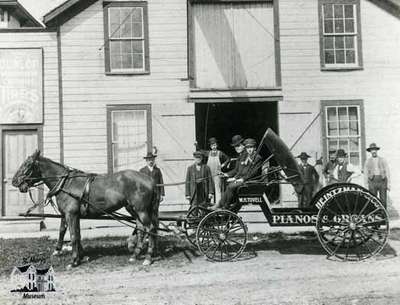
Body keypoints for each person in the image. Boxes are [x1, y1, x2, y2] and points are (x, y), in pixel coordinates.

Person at [213, 138, 262, 211]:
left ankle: (225, 207)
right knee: (229, 185)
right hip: (245, 179)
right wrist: (232, 177)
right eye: (248, 148)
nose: (249, 150)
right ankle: (220, 204)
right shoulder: (248, 156)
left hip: (251, 180)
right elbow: (241, 171)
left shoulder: (257, 157)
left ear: (255, 148)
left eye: (251, 147)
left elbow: (253, 173)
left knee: (231, 186)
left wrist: (241, 179)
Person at [139, 152, 165, 226]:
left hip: (156, 195)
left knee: (155, 212)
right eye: (149, 160)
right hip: (145, 196)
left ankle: (155, 230)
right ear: (146, 161)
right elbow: (139, 184)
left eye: (152, 159)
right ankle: (146, 230)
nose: (151, 161)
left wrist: (162, 194)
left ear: (154, 160)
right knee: (146, 211)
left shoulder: (157, 170)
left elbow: (161, 182)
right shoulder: (142, 171)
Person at [202, 137, 230, 204]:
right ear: (210, 146)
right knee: (210, 190)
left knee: (217, 189)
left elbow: (228, 159)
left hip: (217, 174)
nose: (213, 147)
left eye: (214, 145)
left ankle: (218, 204)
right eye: (212, 145)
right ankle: (211, 204)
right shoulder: (208, 153)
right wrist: (196, 145)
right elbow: (201, 151)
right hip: (209, 175)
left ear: (217, 145)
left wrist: (223, 165)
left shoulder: (220, 153)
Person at [363, 143, 390, 208]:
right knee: (373, 199)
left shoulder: (383, 160)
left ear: (377, 150)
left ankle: (383, 216)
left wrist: (389, 183)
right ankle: (375, 215)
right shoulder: (367, 161)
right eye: (372, 150)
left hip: (382, 180)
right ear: (370, 151)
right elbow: (365, 173)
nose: (374, 151)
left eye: (375, 150)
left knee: (383, 200)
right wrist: (366, 184)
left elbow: (387, 171)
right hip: (372, 181)